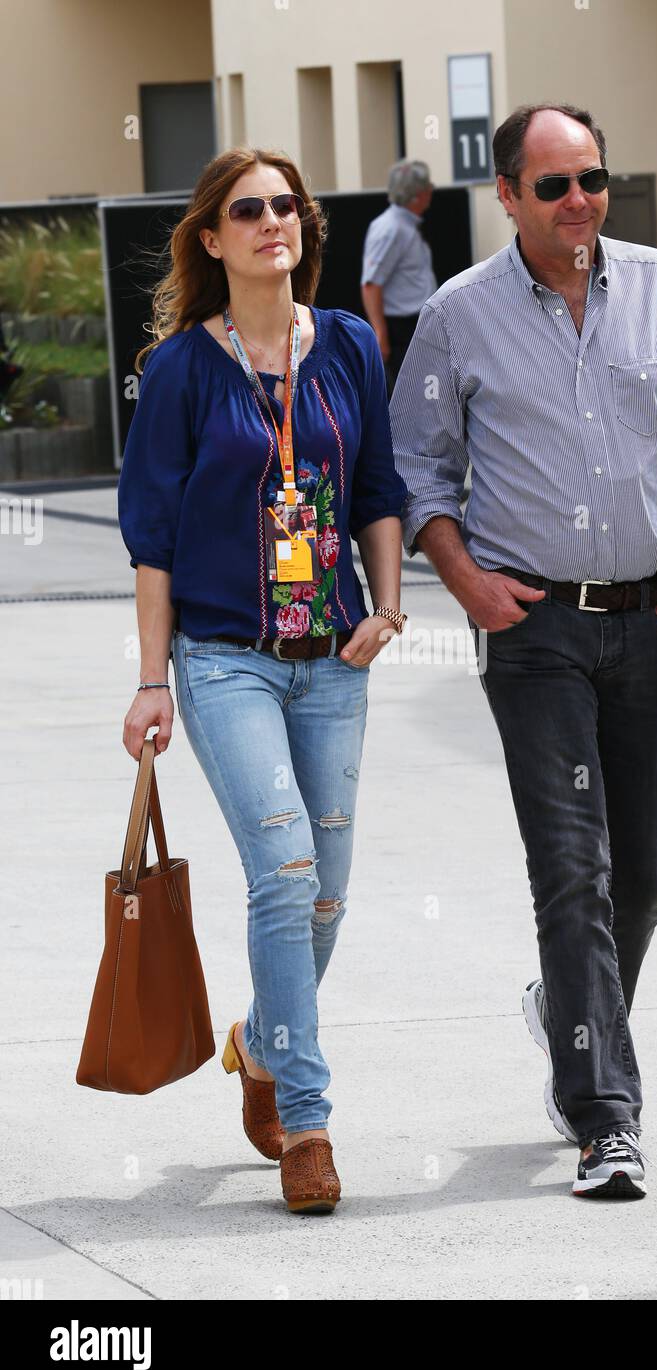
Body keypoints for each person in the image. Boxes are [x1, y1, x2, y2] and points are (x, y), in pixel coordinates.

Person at [390, 103, 657, 1200]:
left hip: (652, 620)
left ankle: (567, 1011)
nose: (579, 201)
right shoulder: (457, 317)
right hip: (532, 629)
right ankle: (605, 1120)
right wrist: (463, 581)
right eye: (552, 185)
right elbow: (416, 468)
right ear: (505, 196)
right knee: (572, 871)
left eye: (592, 177)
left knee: (646, 870)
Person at [118, 145, 408, 1215]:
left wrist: (382, 604)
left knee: (325, 894)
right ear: (212, 236)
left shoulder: (347, 346)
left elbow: (376, 482)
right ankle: (308, 1119)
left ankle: (255, 1039)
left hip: (332, 659)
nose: (272, 221)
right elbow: (150, 537)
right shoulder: (183, 370)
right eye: (248, 209)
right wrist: (152, 679)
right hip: (225, 660)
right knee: (284, 874)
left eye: (288, 205)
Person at [361, 159, 437, 395]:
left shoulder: (403, 225)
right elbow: (371, 284)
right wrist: (380, 335)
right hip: (402, 330)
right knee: (412, 394)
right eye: (427, 186)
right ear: (416, 195)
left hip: (413, 325)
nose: (431, 190)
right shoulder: (391, 229)